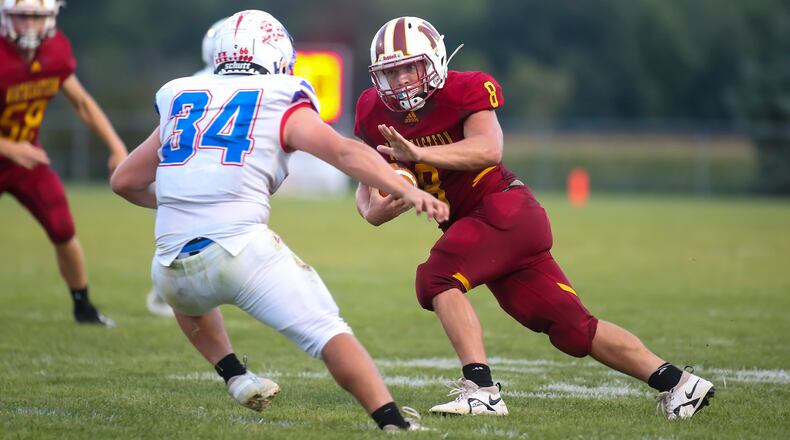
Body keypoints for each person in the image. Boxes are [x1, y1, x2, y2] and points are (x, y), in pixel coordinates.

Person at [354, 16, 715, 420]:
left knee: (435, 277)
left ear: (434, 59)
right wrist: (371, 209)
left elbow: (489, 149)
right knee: (573, 329)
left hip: (502, 211)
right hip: (482, 228)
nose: (401, 79)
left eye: (409, 66)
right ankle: (679, 384)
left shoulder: (465, 88)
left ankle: (481, 390)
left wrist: (420, 156)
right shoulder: (371, 109)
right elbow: (366, 175)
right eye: (391, 71)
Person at [111, 10, 447, 431]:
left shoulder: (182, 93)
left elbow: (124, 180)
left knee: (185, 294)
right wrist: (409, 189)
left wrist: (187, 198)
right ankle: (393, 421)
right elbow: (343, 153)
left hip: (170, 269)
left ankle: (234, 376)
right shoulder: (278, 94)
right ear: (276, 54)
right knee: (329, 331)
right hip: (241, 254)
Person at [0, 0, 126, 326]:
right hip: (18, 151)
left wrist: (116, 146)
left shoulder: (55, 50)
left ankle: (83, 306)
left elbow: (82, 102)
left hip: (26, 160)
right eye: (21, 16)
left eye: (36, 17)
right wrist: (8, 146)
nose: (29, 26)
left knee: (62, 227)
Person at [145, 17, 227, 318]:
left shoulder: (193, 80)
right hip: (219, 168)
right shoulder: (249, 83)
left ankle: (171, 280)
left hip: (185, 167)